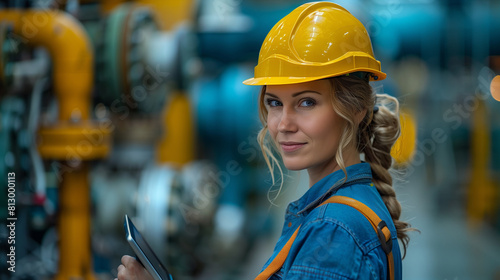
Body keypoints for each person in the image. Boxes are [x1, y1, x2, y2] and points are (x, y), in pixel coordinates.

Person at [116, 2, 412, 280]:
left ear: (357, 109)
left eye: (306, 103)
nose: (283, 124)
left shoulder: (332, 233)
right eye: (274, 103)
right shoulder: (339, 212)